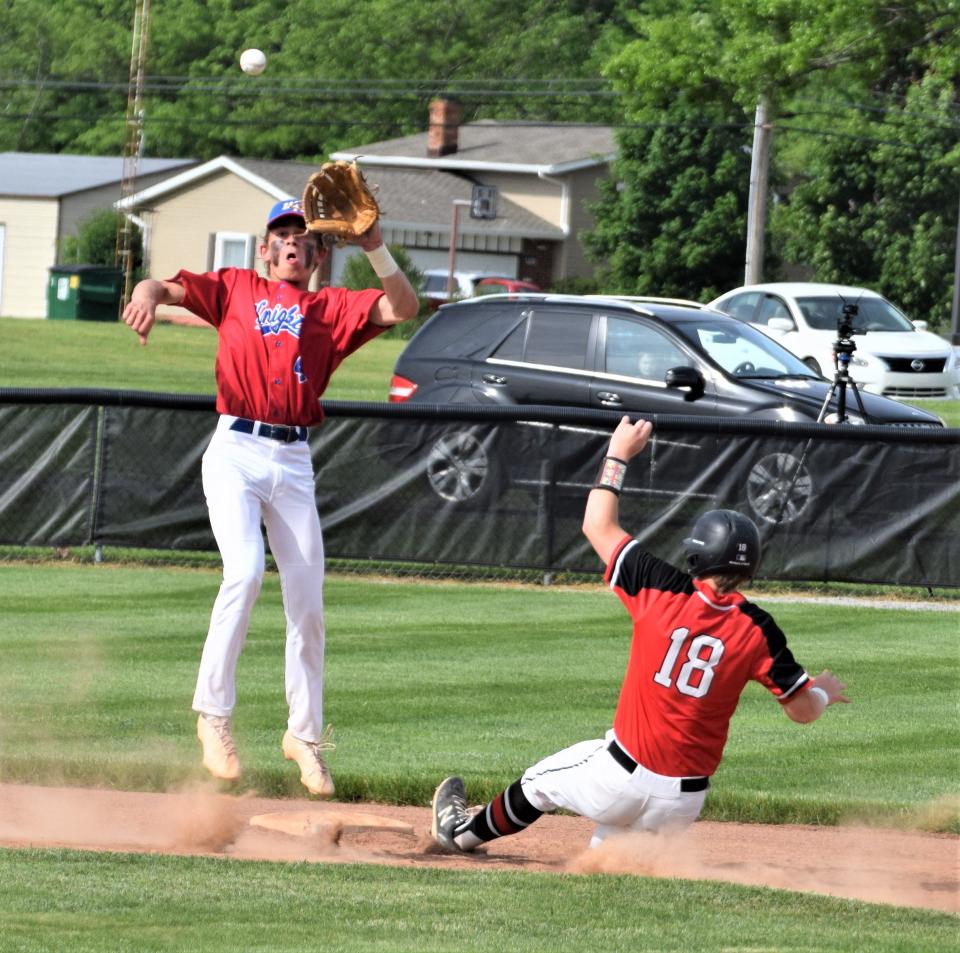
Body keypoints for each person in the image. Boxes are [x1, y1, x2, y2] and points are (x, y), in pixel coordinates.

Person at [430, 415, 850, 852]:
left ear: (696, 554)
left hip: (618, 779)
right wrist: (821, 691)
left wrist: (617, 454)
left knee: (538, 783)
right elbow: (802, 711)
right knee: (608, 856)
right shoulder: (759, 629)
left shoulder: (660, 588)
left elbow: (596, 524)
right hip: (682, 805)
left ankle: (459, 836)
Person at [122, 197, 418, 796]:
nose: (291, 243)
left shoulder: (332, 308)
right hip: (234, 451)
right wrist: (149, 294)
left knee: (308, 606)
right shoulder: (234, 288)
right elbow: (167, 287)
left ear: (318, 253)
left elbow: (404, 307)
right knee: (246, 573)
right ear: (265, 249)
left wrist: (374, 244)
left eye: (302, 236)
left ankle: (303, 738)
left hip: (294, 461)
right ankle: (213, 715)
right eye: (282, 234)